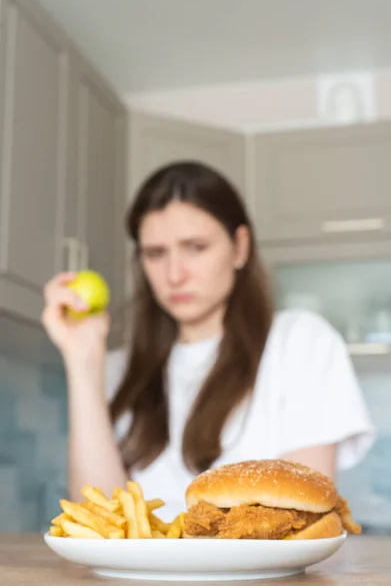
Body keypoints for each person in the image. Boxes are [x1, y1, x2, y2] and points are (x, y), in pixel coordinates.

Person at [42, 162, 375, 519]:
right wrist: (82, 361)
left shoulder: (300, 342)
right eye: (155, 253)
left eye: (196, 247)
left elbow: (301, 513)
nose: (174, 274)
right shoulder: (119, 369)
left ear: (240, 247)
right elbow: (100, 518)